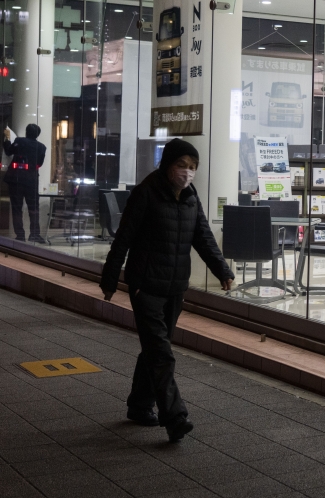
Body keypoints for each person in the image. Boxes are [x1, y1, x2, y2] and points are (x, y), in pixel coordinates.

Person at [100, 139, 234, 443]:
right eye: (181, 166)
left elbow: (203, 236)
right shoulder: (146, 192)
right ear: (167, 165)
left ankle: (139, 405)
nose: (187, 173)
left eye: (192, 167)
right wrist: (110, 279)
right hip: (145, 286)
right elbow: (124, 238)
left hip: (175, 287)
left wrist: (222, 270)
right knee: (161, 353)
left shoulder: (190, 197)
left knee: (154, 349)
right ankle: (175, 417)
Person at [3, 124, 46, 242]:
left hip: (16, 180)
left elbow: (8, 152)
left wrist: (7, 139)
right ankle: (35, 234)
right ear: (38, 134)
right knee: (34, 208)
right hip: (32, 181)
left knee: (17, 208)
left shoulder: (19, 141)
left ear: (26, 132)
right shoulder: (42, 147)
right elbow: (39, 163)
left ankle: (20, 234)